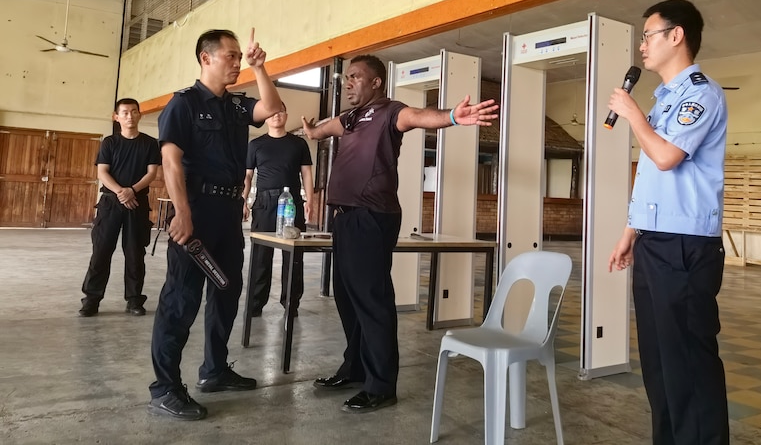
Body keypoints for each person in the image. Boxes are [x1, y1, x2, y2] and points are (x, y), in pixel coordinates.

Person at [302, 54, 498, 413]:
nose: (348, 83)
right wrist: (313, 131)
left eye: (356, 77)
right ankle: (356, 367)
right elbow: (329, 128)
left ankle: (381, 386)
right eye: (347, 77)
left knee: (372, 301)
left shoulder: (391, 111)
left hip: (371, 217)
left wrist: (453, 116)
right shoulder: (350, 118)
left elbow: (421, 116)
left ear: (376, 82)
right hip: (343, 217)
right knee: (348, 298)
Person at [607, 0, 729, 445]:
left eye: (648, 35)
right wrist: (629, 232)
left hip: (686, 245)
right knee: (659, 363)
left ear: (676, 36)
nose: (642, 46)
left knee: (688, 364)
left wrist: (633, 114)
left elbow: (665, 157)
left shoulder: (700, 94)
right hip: (655, 242)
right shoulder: (664, 100)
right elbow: (650, 178)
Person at [148, 28, 283, 421]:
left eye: (240, 56)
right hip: (198, 209)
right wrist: (183, 211)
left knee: (226, 292)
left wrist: (261, 68)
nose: (237, 62)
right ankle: (164, 387)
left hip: (228, 211)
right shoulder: (183, 104)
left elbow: (272, 108)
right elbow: (172, 162)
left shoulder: (236, 106)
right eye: (231, 56)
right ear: (206, 58)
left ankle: (214, 370)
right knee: (181, 299)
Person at [79, 98, 160, 317]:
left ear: (140, 115)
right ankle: (91, 300)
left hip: (137, 202)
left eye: (134, 112)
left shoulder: (150, 143)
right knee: (101, 252)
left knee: (135, 254)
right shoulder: (109, 143)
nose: (129, 116)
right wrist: (121, 192)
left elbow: (151, 173)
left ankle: (134, 300)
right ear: (116, 117)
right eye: (124, 113)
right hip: (110, 203)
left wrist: (132, 191)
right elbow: (102, 172)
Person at [242, 102, 315, 317]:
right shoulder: (255, 145)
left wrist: (309, 200)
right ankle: (255, 304)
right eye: (272, 112)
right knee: (261, 255)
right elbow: (247, 176)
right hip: (264, 203)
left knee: (293, 256)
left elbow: (307, 174)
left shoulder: (298, 144)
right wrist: (243, 201)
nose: (276, 115)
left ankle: (291, 305)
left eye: (280, 111)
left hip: (292, 203)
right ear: (265, 117)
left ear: (286, 114)